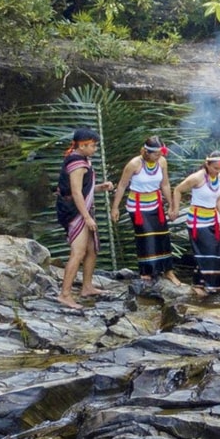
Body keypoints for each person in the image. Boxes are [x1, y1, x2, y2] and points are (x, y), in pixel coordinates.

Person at [55, 128, 113, 310]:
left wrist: (99, 188)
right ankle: (65, 294)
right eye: (93, 146)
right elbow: (76, 192)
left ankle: (87, 287)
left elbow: (84, 189)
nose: (95, 149)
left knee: (91, 249)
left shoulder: (83, 160)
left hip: (81, 208)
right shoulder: (77, 163)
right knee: (78, 252)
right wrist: (87, 217)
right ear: (83, 145)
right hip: (75, 211)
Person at [109, 137, 174, 283]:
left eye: (161, 153)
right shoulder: (134, 164)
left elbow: (165, 184)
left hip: (155, 204)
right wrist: (115, 208)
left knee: (163, 235)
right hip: (138, 207)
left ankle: (167, 271)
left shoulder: (162, 162)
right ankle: (147, 273)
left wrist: (171, 205)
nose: (159, 156)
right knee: (147, 237)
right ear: (146, 152)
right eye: (156, 154)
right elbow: (122, 185)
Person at [170, 152, 220, 298]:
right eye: (215, 168)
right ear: (207, 164)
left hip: (212, 220)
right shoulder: (197, 177)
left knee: (218, 253)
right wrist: (175, 209)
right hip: (198, 222)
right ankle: (198, 285)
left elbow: (218, 199)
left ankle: (215, 286)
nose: (218, 171)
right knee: (205, 253)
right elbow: (178, 190)